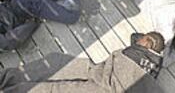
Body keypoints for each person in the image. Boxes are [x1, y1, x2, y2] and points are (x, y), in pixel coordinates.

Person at [0, 32, 166, 93]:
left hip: (93, 81)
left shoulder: (131, 55)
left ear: (146, 42)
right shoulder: (153, 72)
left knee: (54, 71)